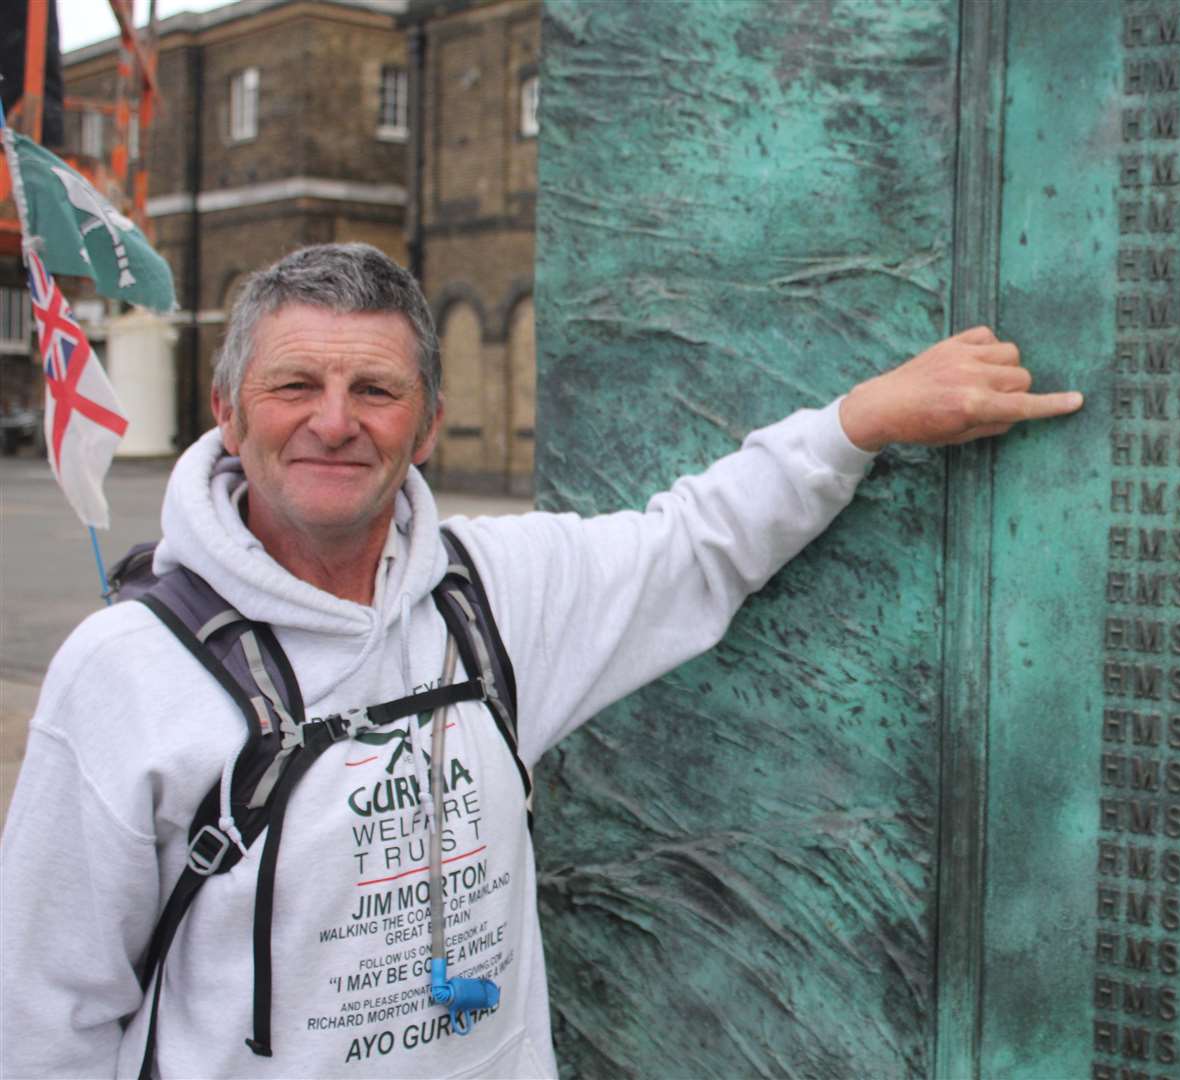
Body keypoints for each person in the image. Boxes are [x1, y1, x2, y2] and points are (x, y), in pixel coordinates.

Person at [0, 243, 1081, 1077]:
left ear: (425, 425)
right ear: (228, 414)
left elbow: (692, 546)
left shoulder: (494, 594)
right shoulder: (121, 674)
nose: (335, 423)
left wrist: (860, 423)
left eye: (375, 391)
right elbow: (49, 1018)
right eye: (295, 387)